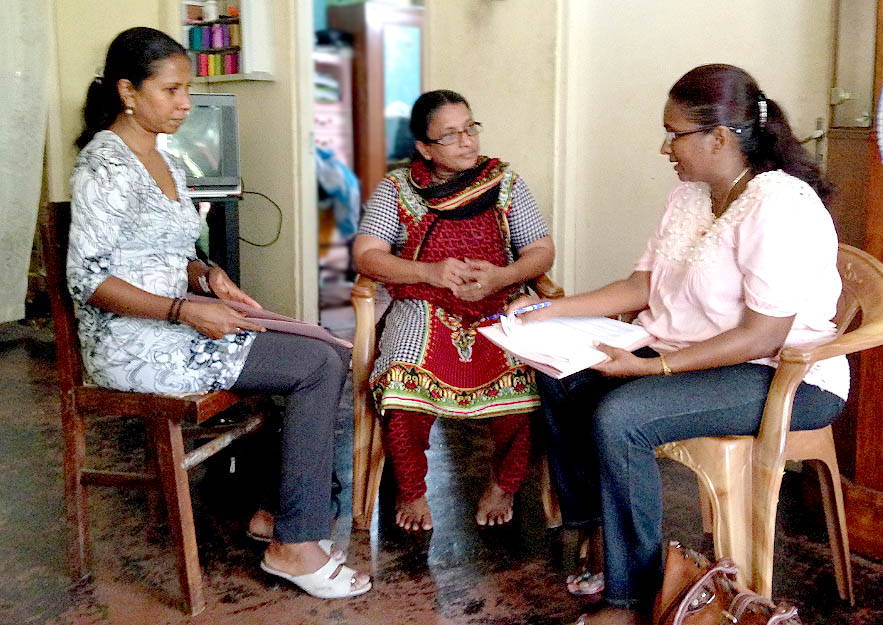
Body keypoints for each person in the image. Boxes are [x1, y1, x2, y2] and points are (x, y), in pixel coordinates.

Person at [508, 64, 847, 624]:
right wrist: (548, 309)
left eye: (674, 133)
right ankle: (600, 534)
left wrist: (653, 368)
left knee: (622, 418)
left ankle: (632, 598)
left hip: (783, 371)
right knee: (559, 374)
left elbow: (762, 334)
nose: (665, 147)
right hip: (695, 352)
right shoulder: (692, 194)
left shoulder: (778, 205)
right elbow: (643, 285)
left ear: (719, 137)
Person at [68, 27, 370, 599]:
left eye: (188, 89)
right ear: (128, 92)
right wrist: (187, 309)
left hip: (176, 322)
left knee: (327, 348)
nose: (185, 103)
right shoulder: (102, 167)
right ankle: (294, 543)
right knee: (316, 366)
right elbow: (90, 281)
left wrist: (208, 276)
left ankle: (275, 513)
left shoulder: (164, 159)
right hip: (134, 344)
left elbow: (170, 253)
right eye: (172, 90)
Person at [352, 90, 555, 530]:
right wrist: (427, 272)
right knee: (402, 373)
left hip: (500, 302)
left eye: (470, 128)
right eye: (450, 135)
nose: (466, 141)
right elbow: (367, 255)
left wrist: (503, 276)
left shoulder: (505, 182)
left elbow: (540, 251)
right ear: (425, 148)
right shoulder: (399, 190)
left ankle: (503, 483)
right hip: (425, 302)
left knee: (531, 375)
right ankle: (412, 489)